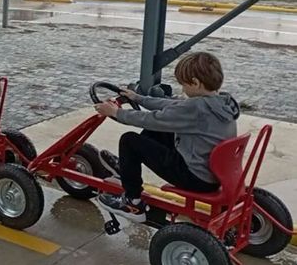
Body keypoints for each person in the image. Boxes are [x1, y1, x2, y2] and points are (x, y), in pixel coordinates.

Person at [94, 52, 240, 222]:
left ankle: (132, 202)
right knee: (160, 130)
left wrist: (116, 113)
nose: (183, 89)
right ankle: (127, 169)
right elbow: (173, 104)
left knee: (129, 141)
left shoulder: (196, 109)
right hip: (210, 171)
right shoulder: (221, 102)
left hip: (194, 177)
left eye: (184, 85)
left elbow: (151, 119)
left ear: (196, 83)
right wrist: (138, 98)